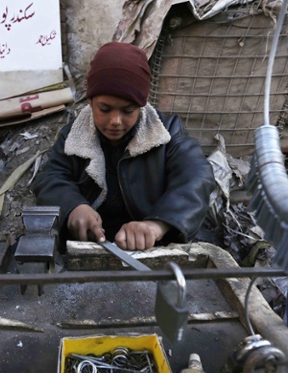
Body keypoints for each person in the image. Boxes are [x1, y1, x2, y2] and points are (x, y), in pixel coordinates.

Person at [31, 42, 215, 251]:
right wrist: (74, 207)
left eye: (128, 111)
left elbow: (197, 176)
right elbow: (50, 176)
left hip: (150, 248)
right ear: (91, 101)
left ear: (141, 106)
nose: (115, 121)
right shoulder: (73, 135)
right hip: (91, 246)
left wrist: (156, 225)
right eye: (105, 109)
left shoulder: (167, 133)